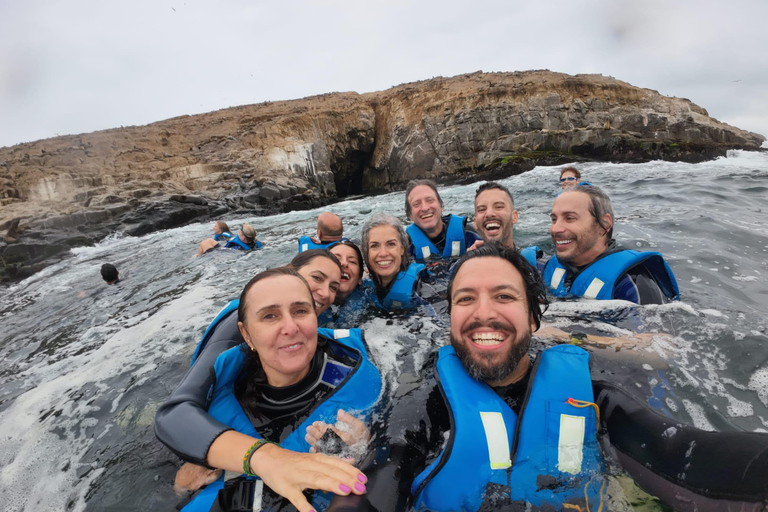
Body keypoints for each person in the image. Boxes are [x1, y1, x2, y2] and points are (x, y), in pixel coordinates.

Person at [328, 244, 768, 512]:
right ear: (450, 319)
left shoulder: (591, 395)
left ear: (534, 319)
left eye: (504, 296)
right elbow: (386, 469)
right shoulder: (424, 399)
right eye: (465, 299)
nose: (483, 312)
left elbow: (682, 452)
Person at [157, 267, 381, 512]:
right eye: (270, 316)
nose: (290, 327)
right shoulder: (223, 380)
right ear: (246, 334)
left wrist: (366, 447)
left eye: (300, 311)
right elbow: (173, 418)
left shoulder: (359, 371)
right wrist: (267, 458)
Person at [539, 184, 679, 304]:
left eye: (569, 218)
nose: (555, 229)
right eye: (554, 219)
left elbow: (656, 335)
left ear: (604, 224)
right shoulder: (547, 267)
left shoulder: (632, 285)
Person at [361, 213, 427, 310]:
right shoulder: (363, 284)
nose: (383, 253)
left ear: (402, 249)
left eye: (391, 244)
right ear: (367, 252)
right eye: (374, 246)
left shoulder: (422, 283)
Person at [404, 179, 481, 263]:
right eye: (416, 204)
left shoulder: (467, 233)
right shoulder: (406, 245)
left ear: (441, 206)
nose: (425, 208)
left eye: (430, 200)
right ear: (409, 215)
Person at [319, 241, 368, 327]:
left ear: (360, 278)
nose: (344, 263)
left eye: (352, 261)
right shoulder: (306, 299)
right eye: (336, 259)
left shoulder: (371, 299)